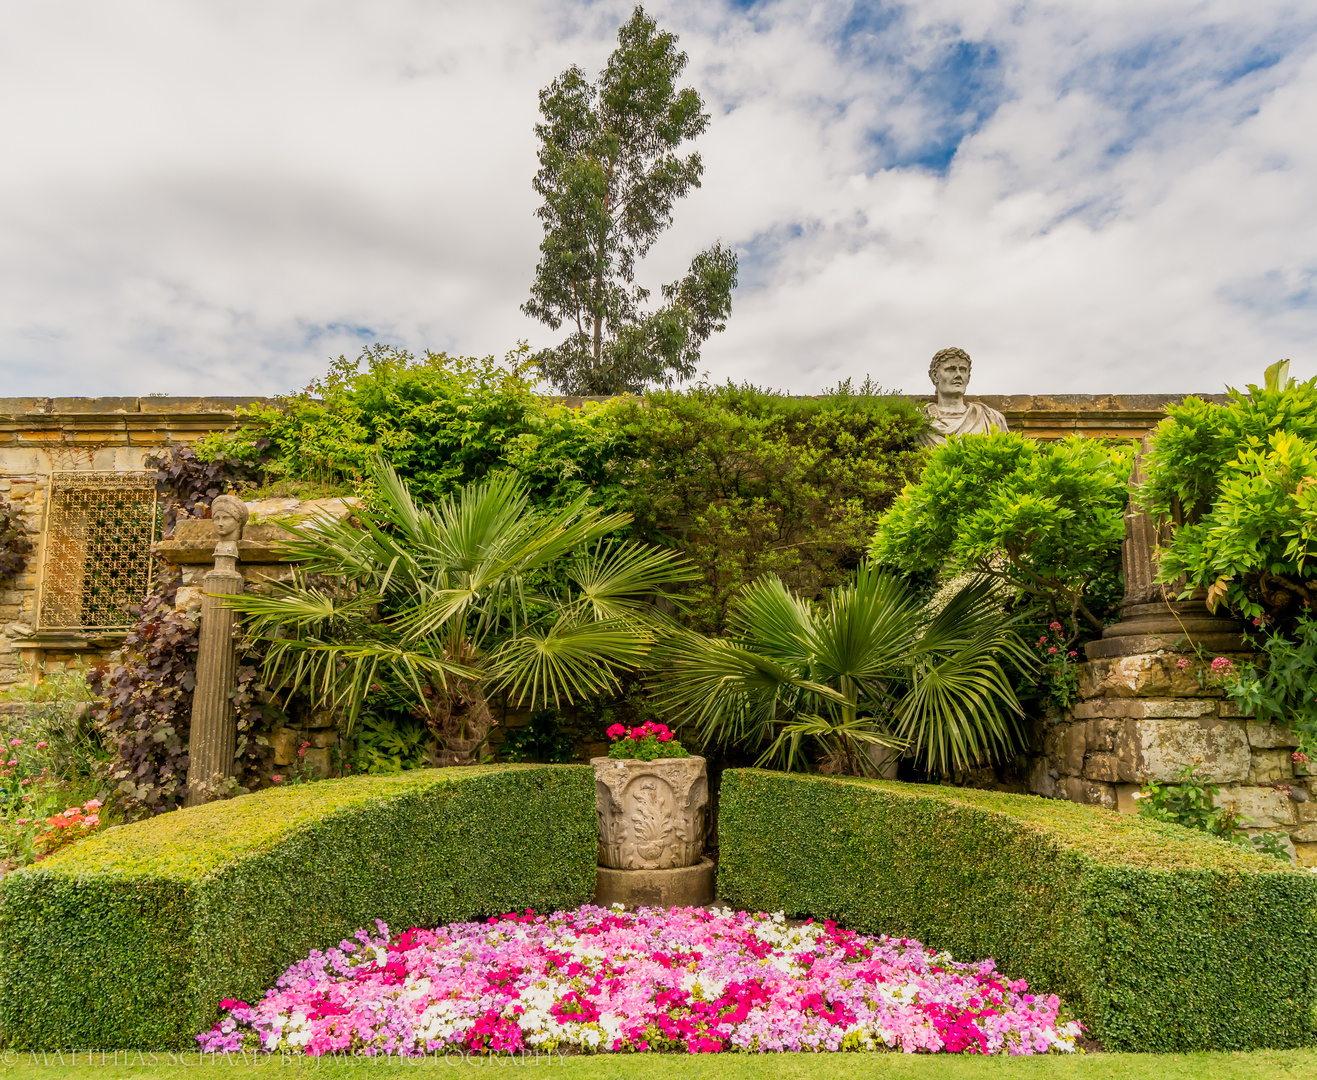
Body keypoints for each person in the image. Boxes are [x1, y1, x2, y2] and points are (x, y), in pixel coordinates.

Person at [917, 347, 1009, 447]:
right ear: (934, 375)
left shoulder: (990, 418)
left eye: (963, 370)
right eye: (951, 369)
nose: (958, 375)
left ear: (968, 377)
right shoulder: (920, 420)